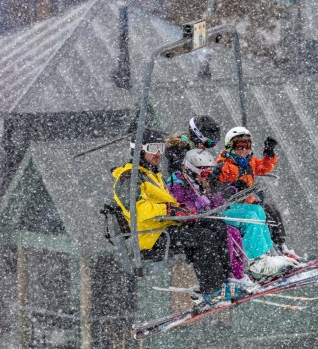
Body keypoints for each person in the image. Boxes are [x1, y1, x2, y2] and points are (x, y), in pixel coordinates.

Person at [111, 128, 239, 307]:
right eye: (153, 148)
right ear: (139, 150)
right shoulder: (129, 179)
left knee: (215, 226)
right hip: (151, 237)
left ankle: (227, 281)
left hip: (165, 229)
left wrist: (183, 210)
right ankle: (212, 290)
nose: (158, 154)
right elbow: (139, 210)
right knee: (203, 238)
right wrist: (170, 210)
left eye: (161, 148)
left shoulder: (151, 175)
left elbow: (165, 205)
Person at [210, 126, 304, 278]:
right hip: (229, 209)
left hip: (246, 205)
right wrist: (232, 188)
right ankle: (255, 261)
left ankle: (270, 253)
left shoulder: (249, 162)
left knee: (262, 212)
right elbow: (215, 192)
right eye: (240, 147)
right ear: (230, 147)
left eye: (247, 146)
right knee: (252, 218)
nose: (244, 150)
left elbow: (264, 167)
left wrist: (269, 152)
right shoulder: (223, 166)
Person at [166, 149, 255, 288]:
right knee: (221, 232)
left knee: (233, 232)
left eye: (209, 173)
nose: (206, 177)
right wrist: (198, 204)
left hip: (201, 220)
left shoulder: (198, 182)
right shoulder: (177, 183)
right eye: (204, 173)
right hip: (186, 224)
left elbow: (211, 203)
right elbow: (179, 207)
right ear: (191, 169)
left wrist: (229, 191)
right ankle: (221, 278)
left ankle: (236, 274)